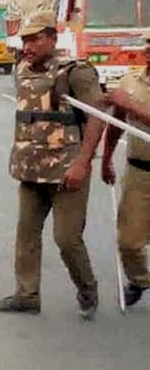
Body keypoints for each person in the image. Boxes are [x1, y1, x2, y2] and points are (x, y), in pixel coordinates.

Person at [0, 10, 106, 320]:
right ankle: (27, 295)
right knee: (26, 234)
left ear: (53, 38)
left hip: (67, 170)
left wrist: (83, 162)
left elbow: (98, 117)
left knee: (66, 238)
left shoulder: (76, 72)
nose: (28, 46)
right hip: (30, 170)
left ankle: (87, 288)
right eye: (25, 40)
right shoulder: (23, 70)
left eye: (35, 39)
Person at [100, 30, 150, 306]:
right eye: (148, 45)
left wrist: (129, 104)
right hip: (139, 173)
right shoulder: (132, 81)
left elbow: (126, 106)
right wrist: (106, 159)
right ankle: (141, 280)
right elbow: (117, 123)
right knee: (129, 242)